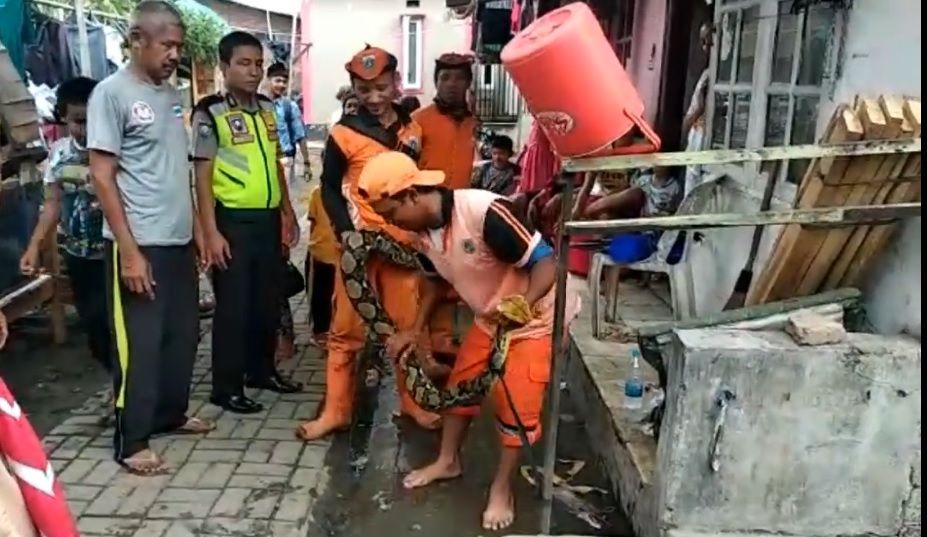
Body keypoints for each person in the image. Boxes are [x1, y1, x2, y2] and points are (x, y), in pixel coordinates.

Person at [357, 151, 578, 532]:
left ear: (411, 194)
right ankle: (448, 460)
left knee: (518, 407)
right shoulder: (421, 233)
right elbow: (434, 280)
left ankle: (502, 488)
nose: (394, 223)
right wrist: (414, 330)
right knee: (460, 390)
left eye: (393, 213)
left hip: (534, 319)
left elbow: (547, 263)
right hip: (489, 317)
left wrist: (520, 306)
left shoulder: (485, 212)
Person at [87, 0, 213, 475]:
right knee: (137, 344)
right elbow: (102, 175)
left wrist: (199, 230)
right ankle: (131, 438)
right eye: (167, 44)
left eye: (179, 46)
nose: (174, 54)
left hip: (177, 240)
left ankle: (170, 414)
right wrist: (131, 253)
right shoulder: (111, 93)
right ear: (137, 39)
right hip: (137, 243)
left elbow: (177, 169)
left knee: (181, 335)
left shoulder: (170, 95)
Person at [294, 45, 440, 442]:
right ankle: (336, 411)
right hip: (358, 246)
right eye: (364, 89)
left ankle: (413, 404)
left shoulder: (413, 129)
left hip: (401, 244)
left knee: (406, 327)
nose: (374, 98)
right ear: (353, 88)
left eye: (380, 87)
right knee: (345, 331)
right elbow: (328, 188)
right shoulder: (343, 133)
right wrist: (345, 232)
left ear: (395, 82)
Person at [192, 31, 302, 415]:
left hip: (268, 219)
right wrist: (210, 232)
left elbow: (275, 164)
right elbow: (202, 177)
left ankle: (262, 371)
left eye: (258, 63)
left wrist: (288, 212)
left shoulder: (269, 110)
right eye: (244, 63)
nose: (253, 71)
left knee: (267, 302)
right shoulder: (210, 113)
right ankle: (225, 387)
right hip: (231, 222)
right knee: (233, 307)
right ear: (224, 67)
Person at [20, 77, 113, 378]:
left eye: (92, 119)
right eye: (78, 121)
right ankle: (119, 389)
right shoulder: (60, 154)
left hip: (117, 254)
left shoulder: (116, 152)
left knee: (122, 328)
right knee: (94, 327)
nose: (86, 129)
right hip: (80, 256)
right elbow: (52, 205)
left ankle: (130, 398)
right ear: (64, 117)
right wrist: (35, 245)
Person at [413, 53, 478, 190]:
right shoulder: (417, 120)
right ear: (436, 83)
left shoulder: (473, 124)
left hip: (460, 203)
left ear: (468, 83)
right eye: (445, 78)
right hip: (425, 203)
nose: (452, 84)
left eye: (459, 78)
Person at [266, 62, 311, 189]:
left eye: (284, 82)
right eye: (277, 80)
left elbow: (300, 136)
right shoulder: (258, 105)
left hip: (284, 160)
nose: (281, 85)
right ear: (268, 80)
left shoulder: (290, 106)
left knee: (284, 200)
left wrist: (306, 163)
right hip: (263, 160)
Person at [682, 22, 714, 196]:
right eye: (703, 42)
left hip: (705, 141)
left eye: (710, 42)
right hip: (696, 139)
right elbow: (694, 109)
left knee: (697, 192)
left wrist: (689, 120)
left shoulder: (718, 77)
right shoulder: (707, 74)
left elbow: (699, 108)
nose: (706, 47)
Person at [304, 185, 336, 347]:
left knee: (319, 294)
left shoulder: (318, 192)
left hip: (321, 251)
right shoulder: (354, 190)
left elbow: (313, 223)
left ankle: (321, 333)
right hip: (342, 253)